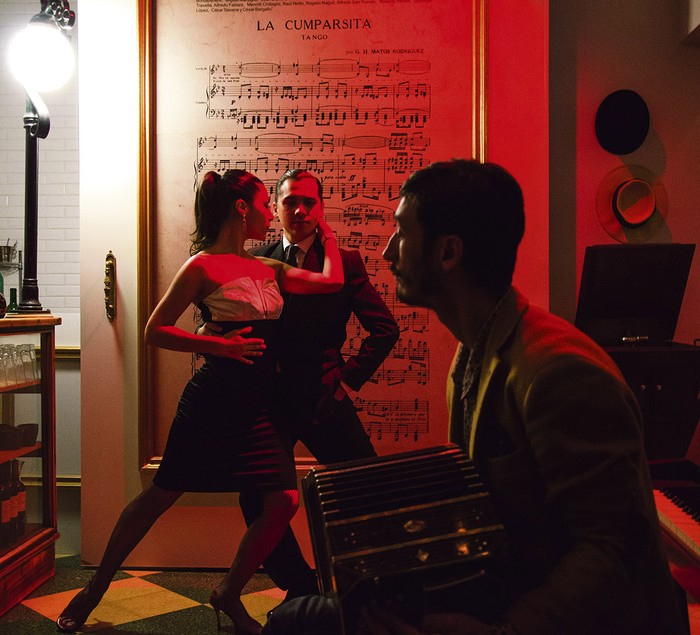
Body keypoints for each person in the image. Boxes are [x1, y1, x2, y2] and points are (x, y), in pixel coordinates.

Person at [263, 159, 687, 635]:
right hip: (507, 585)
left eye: (401, 232)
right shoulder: (472, 351)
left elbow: (610, 551)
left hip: (551, 614)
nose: (386, 251)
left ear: (448, 253)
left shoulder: (560, 374)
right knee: (295, 617)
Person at [55, 169, 344, 635]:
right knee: (160, 497)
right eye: (266, 204)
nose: (274, 214)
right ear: (242, 207)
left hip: (258, 405)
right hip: (212, 402)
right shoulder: (201, 266)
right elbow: (154, 330)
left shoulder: (267, 267)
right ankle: (95, 589)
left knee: (284, 500)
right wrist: (220, 346)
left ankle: (227, 592)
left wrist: (326, 231)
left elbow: (331, 282)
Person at [239, 168, 399, 602]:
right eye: (291, 201)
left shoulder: (345, 262)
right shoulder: (258, 259)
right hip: (270, 398)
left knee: (367, 487)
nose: (300, 209)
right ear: (276, 208)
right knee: (256, 498)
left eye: (309, 201)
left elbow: (385, 329)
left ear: (322, 208)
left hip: (323, 395)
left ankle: (367, 585)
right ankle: (300, 586)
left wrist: (347, 379)